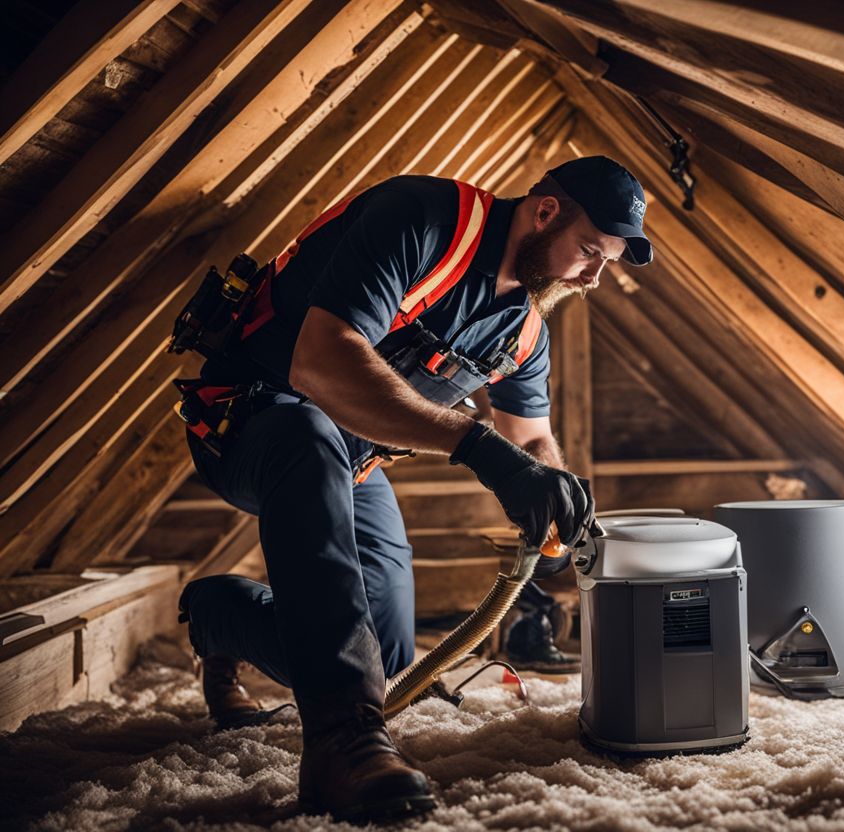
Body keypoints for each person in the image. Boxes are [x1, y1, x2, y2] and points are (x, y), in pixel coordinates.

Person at [174, 155, 652, 820]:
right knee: (307, 441)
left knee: (382, 651)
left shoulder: (524, 329)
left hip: (349, 465)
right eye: (590, 252)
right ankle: (343, 743)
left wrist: (549, 480)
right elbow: (319, 360)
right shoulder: (426, 220)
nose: (594, 278)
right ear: (546, 213)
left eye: (607, 262)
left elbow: (529, 434)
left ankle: (220, 613)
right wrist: (478, 446)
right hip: (252, 419)